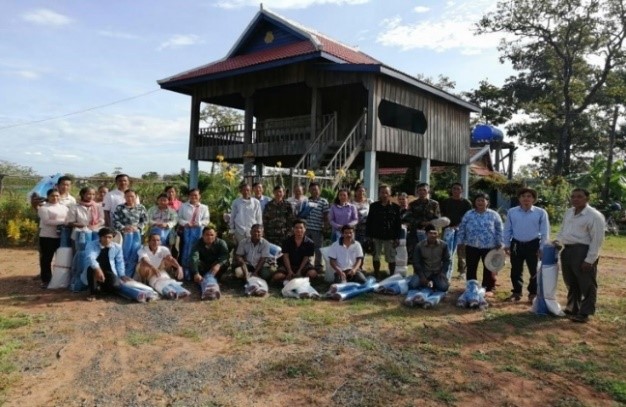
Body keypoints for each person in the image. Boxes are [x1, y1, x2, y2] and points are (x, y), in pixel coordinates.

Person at [554, 188, 605, 323]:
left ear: (587, 199)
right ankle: (572, 308)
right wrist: (557, 242)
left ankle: (585, 312)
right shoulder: (569, 212)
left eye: (579, 197)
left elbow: (597, 239)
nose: (575, 199)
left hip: (583, 251)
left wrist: (590, 260)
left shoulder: (594, 216)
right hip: (567, 250)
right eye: (573, 196)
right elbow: (562, 230)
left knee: (586, 283)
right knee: (571, 281)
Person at [503, 187, 550, 303]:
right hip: (516, 244)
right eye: (523, 196)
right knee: (516, 270)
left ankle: (533, 293)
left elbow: (545, 232)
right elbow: (507, 229)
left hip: (533, 244)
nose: (526, 199)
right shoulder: (512, 212)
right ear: (519, 199)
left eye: (529, 196)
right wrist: (507, 244)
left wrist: (542, 247)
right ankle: (516, 292)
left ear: (534, 199)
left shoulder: (540, 213)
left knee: (534, 270)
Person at [457, 193, 503, 296]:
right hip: (471, 245)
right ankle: (471, 286)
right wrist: (460, 242)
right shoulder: (469, 214)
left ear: (487, 202)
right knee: (471, 267)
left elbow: (499, 229)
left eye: (483, 200)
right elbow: (462, 228)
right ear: (475, 202)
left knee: (488, 267)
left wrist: (499, 242)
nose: (480, 202)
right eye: (478, 200)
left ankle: (487, 288)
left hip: (489, 246)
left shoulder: (494, 214)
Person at [84, 227, 131, 301]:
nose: (107, 239)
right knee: (91, 269)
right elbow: (90, 258)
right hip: (95, 270)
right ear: (100, 237)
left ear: (112, 238)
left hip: (109, 271)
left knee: (116, 286)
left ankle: (101, 288)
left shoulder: (117, 247)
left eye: (110, 237)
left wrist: (122, 274)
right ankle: (93, 293)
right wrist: (98, 269)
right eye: (105, 237)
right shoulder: (91, 244)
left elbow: (120, 261)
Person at [136, 233, 188, 299]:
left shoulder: (163, 249)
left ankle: (180, 290)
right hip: (146, 271)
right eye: (153, 240)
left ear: (160, 242)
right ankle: (145, 282)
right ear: (148, 241)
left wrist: (178, 267)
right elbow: (144, 260)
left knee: (165, 280)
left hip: (158, 269)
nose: (155, 242)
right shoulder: (143, 250)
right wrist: (153, 268)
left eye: (158, 240)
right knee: (145, 266)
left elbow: (170, 258)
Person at [366, 184, 402, 278]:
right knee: (376, 256)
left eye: (386, 192)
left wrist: (397, 237)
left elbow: (398, 224)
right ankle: (376, 274)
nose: (384, 194)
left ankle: (391, 275)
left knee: (391, 257)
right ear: (379, 194)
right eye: (382, 192)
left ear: (390, 193)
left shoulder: (395, 207)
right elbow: (369, 221)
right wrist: (368, 236)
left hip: (390, 236)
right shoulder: (373, 206)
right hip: (376, 235)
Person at [37, 188, 69, 288]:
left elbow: (68, 218)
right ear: (48, 197)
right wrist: (63, 222)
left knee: (61, 258)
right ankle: (46, 280)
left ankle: (59, 279)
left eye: (57, 196)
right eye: (52, 196)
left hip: (62, 237)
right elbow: (47, 221)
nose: (55, 198)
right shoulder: (43, 208)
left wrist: (65, 222)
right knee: (46, 259)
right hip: (47, 237)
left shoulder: (64, 207)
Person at [440, 183, 473, 279]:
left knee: (461, 251)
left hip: (461, 230)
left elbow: (468, 217)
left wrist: (458, 226)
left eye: (458, 189)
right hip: (447, 229)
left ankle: (462, 271)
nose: (456, 191)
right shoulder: (446, 202)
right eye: (454, 188)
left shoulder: (467, 203)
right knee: (447, 251)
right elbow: (442, 215)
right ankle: (447, 270)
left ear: (462, 190)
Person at [112, 189, 148, 276]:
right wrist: (124, 227)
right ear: (124, 197)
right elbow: (115, 220)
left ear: (136, 197)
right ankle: (122, 275)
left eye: (132, 196)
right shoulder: (120, 207)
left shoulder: (141, 207)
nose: (130, 198)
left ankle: (130, 275)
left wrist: (137, 227)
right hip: (124, 234)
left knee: (135, 254)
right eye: (128, 196)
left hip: (137, 234)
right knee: (124, 255)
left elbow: (145, 221)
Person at [177, 188, 210, 279]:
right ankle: (185, 271)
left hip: (198, 231)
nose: (194, 197)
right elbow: (179, 218)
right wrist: (186, 223)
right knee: (186, 249)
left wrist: (199, 223)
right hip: (187, 231)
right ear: (189, 196)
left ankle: (195, 271)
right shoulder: (183, 206)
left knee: (196, 250)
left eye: (196, 195)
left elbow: (206, 220)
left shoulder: (204, 207)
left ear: (199, 196)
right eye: (192, 195)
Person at [409, 224, 450, 292]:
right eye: (430, 233)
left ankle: (432, 283)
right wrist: (422, 276)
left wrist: (443, 272)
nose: (433, 235)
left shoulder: (444, 245)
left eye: (435, 233)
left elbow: (447, 260)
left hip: (437, 273)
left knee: (444, 287)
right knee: (412, 285)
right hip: (424, 272)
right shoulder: (419, 246)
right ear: (426, 234)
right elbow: (416, 262)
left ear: (438, 234)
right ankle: (424, 282)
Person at [404, 183, 440, 257]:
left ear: (428, 191)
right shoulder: (412, 204)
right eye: (420, 190)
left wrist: (429, 223)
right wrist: (420, 222)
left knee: (430, 253)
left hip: (430, 232)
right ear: (417, 192)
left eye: (424, 190)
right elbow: (408, 217)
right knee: (416, 253)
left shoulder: (434, 204)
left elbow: (437, 218)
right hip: (416, 231)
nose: (422, 192)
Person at [305, 182, 330, 270]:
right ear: (309, 191)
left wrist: (325, 227)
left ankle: (318, 265)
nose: (314, 191)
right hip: (307, 228)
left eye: (316, 189)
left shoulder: (324, 201)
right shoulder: (307, 200)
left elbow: (326, 215)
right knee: (306, 247)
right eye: (312, 189)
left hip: (318, 228)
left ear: (319, 190)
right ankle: (307, 264)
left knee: (318, 248)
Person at [230, 182, 262, 246]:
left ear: (251, 191)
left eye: (248, 190)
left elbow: (259, 217)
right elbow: (232, 217)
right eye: (244, 190)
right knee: (240, 249)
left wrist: (260, 230)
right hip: (239, 231)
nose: (246, 192)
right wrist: (232, 230)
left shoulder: (256, 202)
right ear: (241, 191)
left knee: (252, 249)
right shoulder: (236, 202)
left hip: (253, 231)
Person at [351, 184, 372, 250]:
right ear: (355, 192)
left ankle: (361, 260)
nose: (361, 193)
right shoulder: (351, 202)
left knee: (362, 247)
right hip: (353, 228)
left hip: (365, 228)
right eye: (359, 191)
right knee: (353, 247)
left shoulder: (369, 201)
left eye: (363, 191)